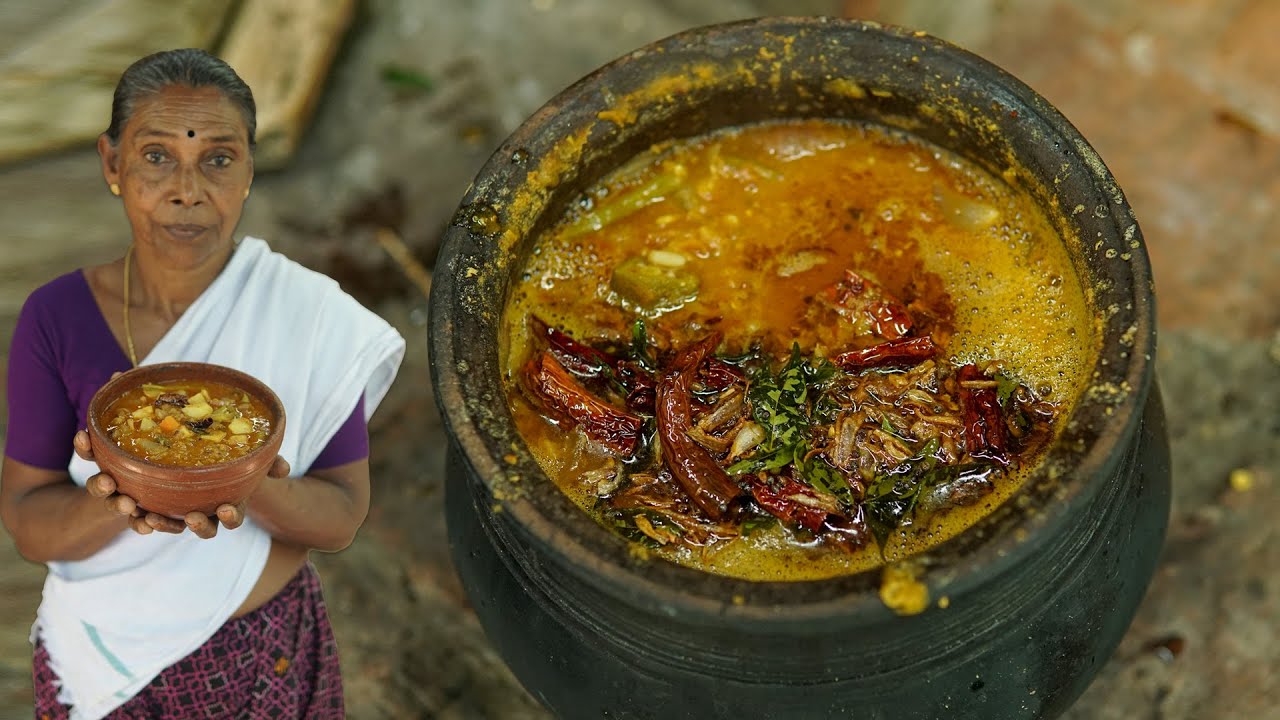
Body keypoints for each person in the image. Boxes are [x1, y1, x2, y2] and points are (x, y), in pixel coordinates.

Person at [0, 48, 405, 719]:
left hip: (267, 659)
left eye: (218, 158)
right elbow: (28, 523)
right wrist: (116, 496)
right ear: (111, 165)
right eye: (157, 156)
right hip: (105, 667)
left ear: (248, 170)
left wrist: (255, 484)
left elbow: (340, 516)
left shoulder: (310, 313)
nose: (188, 190)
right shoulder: (57, 317)